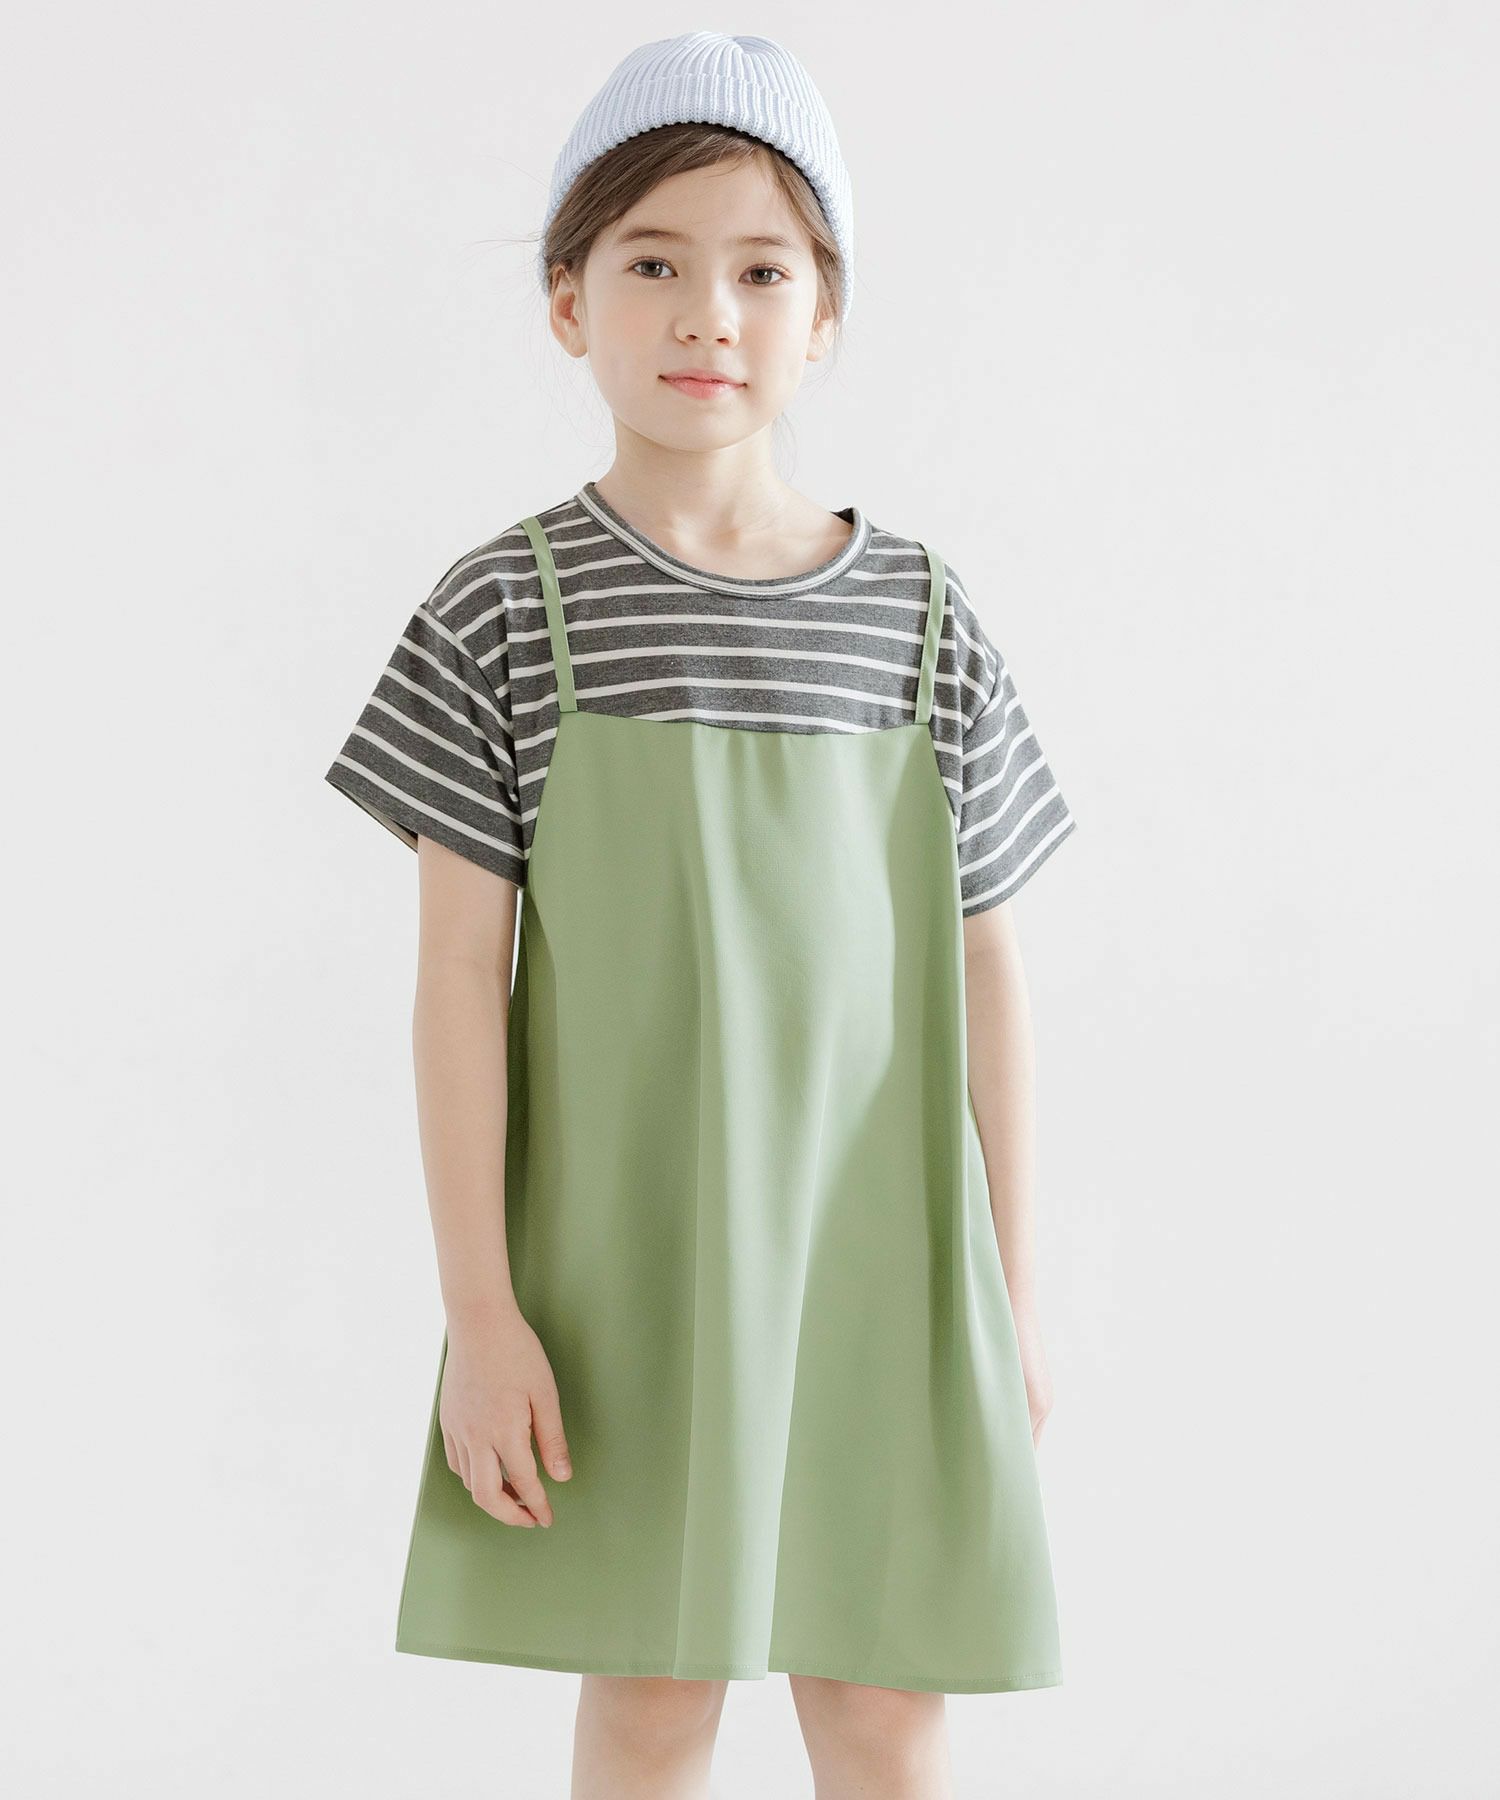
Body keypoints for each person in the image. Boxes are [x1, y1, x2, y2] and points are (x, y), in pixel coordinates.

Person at [324, 31, 1079, 1800]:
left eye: (763, 271)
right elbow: (458, 982)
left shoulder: (923, 618)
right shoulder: (504, 609)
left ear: (825, 316)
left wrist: (1012, 1292)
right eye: (652, 262)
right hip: (635, 1262)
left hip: (882, 1259)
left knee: (882, 1704)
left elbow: (988, 965)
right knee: (657, 1695)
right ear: (567, 301)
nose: (707, 314)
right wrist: (483, 1314)